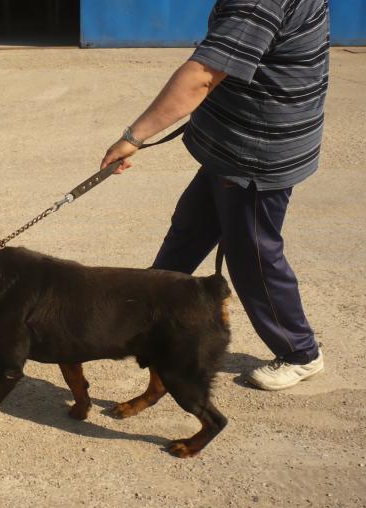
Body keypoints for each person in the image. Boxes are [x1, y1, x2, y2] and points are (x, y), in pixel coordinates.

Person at [100, 0, 329, 391]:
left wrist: (133, 137)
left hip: (255, 151)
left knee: (253, 257)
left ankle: (300, 352)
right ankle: (147, 313)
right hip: (232, 144)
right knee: (189, 229)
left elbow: (202, 76)